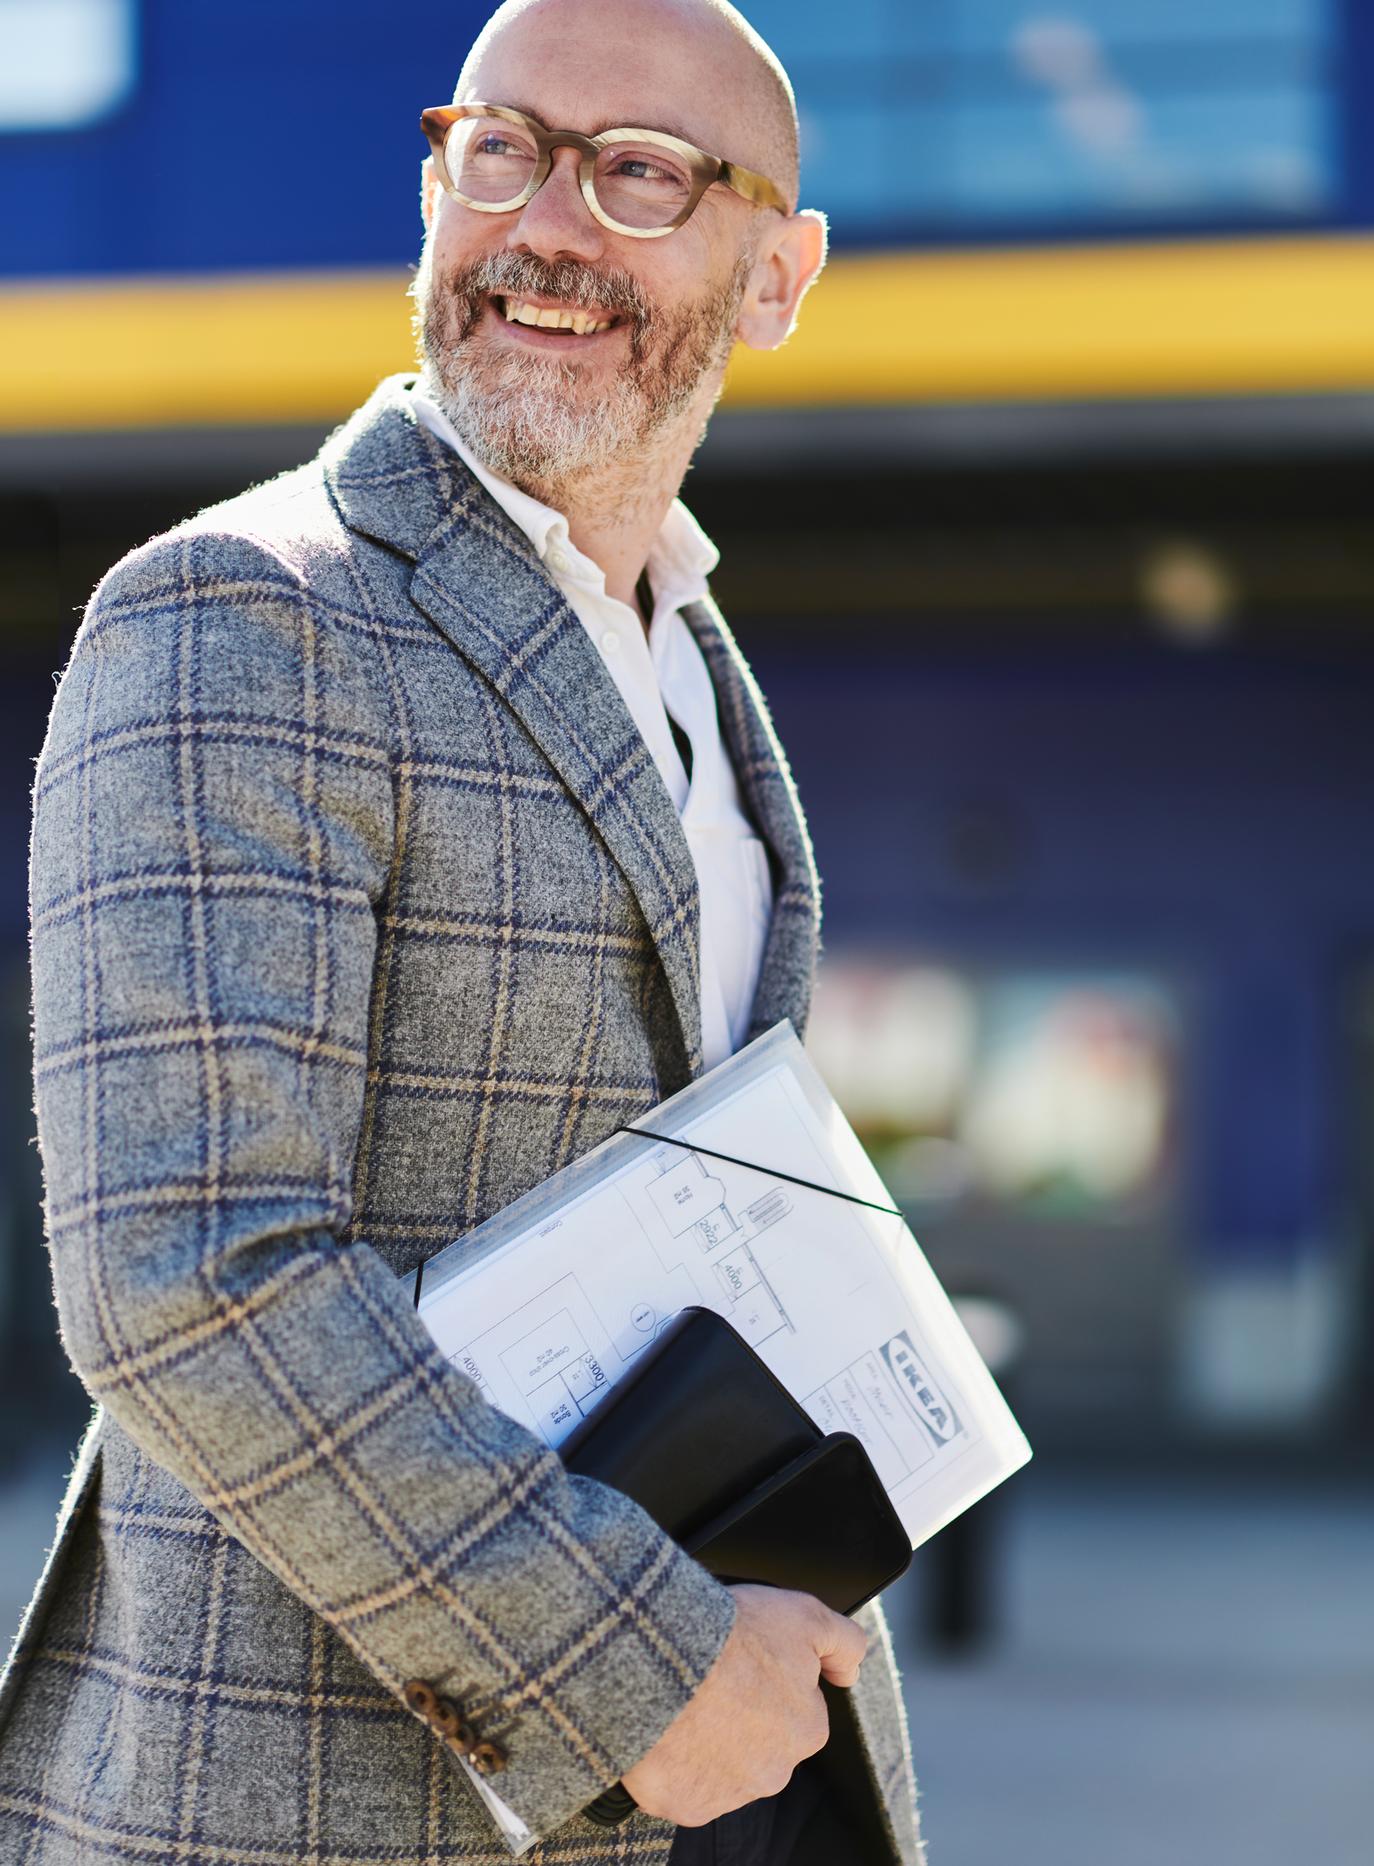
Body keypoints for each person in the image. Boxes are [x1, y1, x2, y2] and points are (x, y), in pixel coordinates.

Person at [0, 1, 923, 1861]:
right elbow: (189, 1273)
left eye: (642, 174)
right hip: (337, 1799)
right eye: (500, 148)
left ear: (779, 275)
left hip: (744, 1748)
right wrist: (640, 1668)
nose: (547, 226)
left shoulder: (686, 656)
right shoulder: (242, 616)